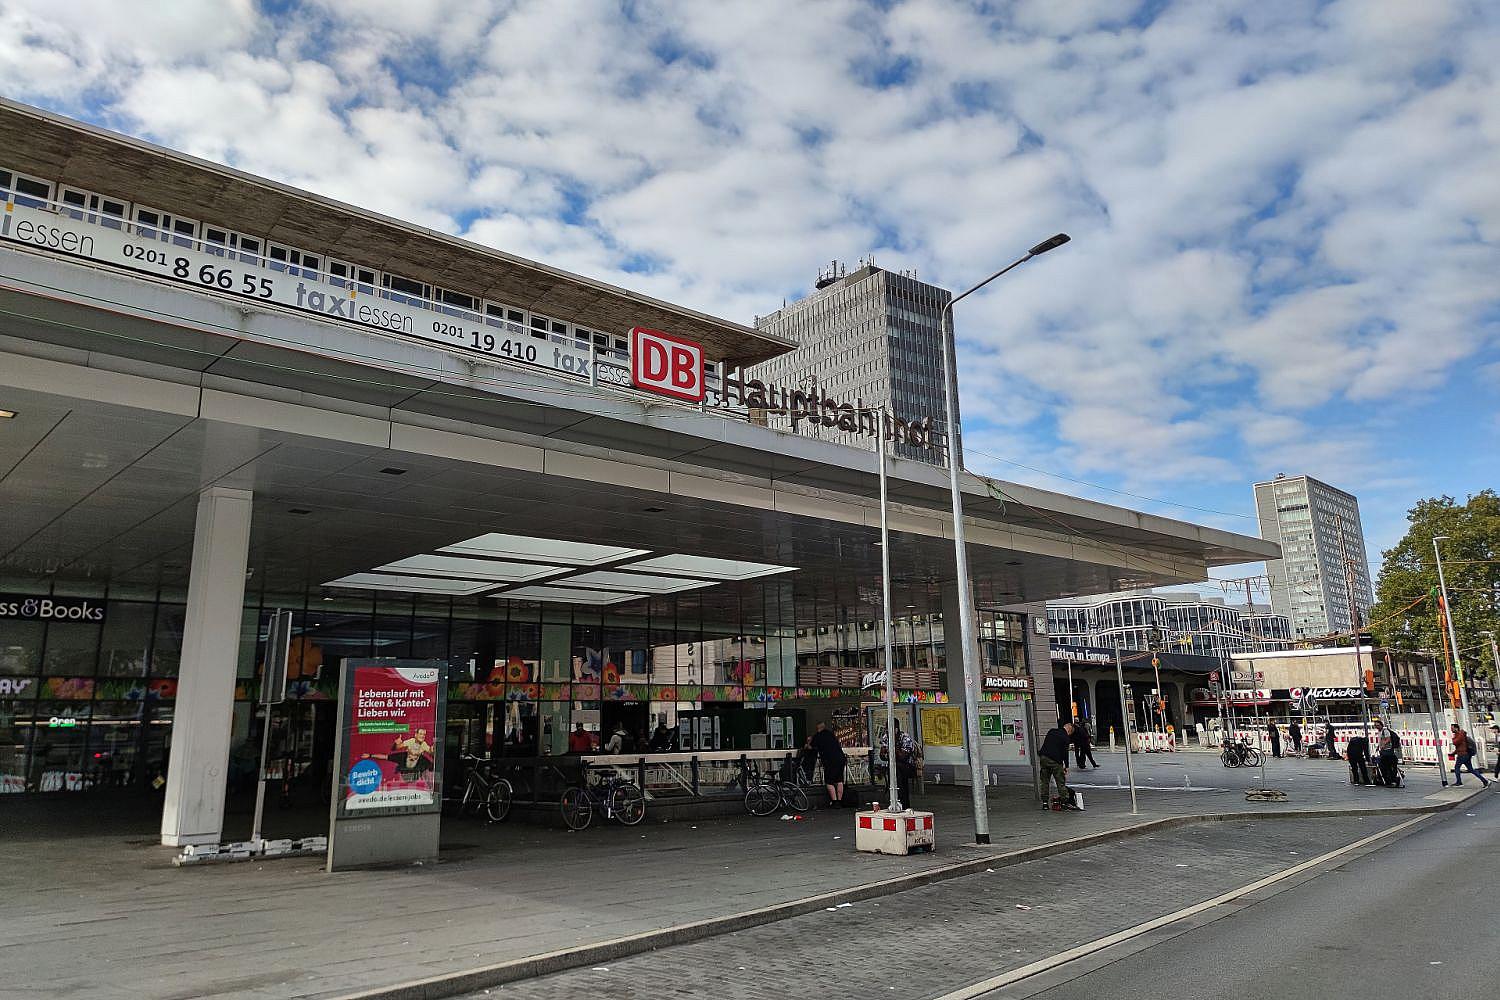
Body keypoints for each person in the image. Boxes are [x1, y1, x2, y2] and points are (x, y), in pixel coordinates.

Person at [1038, 721, 1078, 810]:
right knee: (1060, 782)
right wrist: (1066, 766)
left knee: (1044, 781)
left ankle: (1045, 803)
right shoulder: (1065, 737)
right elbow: (1065, 753)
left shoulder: (1051, 731)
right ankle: (1064, 801)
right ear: (1069, 730)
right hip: (1055, 761)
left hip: (1044, 758)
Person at [879, 721, 918, 807]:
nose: (888, 732)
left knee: (899, 775)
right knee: (893, 770)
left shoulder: (905, 738)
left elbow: (903, 757)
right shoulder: (886, 737)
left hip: (907, 766)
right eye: (887, 729)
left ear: (896, 729)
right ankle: (895, 801)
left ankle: (903, 803)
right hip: (893, 765)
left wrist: (894, 746)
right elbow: (882, 756)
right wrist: (886, 753)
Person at [809, 722, 846, 807]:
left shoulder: (818, 736)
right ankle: (840, 801)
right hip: (840, 758)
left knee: (829, 782)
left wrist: (809, 741)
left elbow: (810, 747)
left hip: (829, 760)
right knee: (839, 780)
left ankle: (835, 801)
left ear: (818, 728)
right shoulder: (831, 734)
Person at [1373, 720, 1401, 787]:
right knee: (1386, 766)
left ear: (1381, 725)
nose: (1377, 727)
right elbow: (1381, 740)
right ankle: (1389, 780)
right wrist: (1378, 747)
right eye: (1375, 725)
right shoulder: (1380, 732)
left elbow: (1388, 739)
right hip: (1383, 751)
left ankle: (1391, 780)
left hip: (1388, 751)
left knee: (1387, 765)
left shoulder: (1385, 731)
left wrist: (1383, 745)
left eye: (1378, 725)